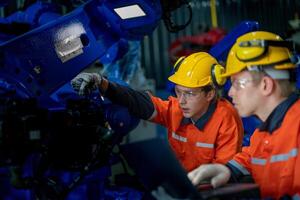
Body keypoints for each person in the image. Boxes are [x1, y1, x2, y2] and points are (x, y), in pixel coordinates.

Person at [70, 52, 243, 172]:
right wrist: (102, 83)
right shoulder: (178, 110)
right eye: (178, 91)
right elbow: (140, 102)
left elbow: (223, 175)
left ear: (210, 94)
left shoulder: (226, 119)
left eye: (189, 94)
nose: (181, 100)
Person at [188, 31, 300, 199]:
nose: (231, 92)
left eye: (237, 83)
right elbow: (251, 157)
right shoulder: (264, 133)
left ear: (265, 85)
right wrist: (226, 170)